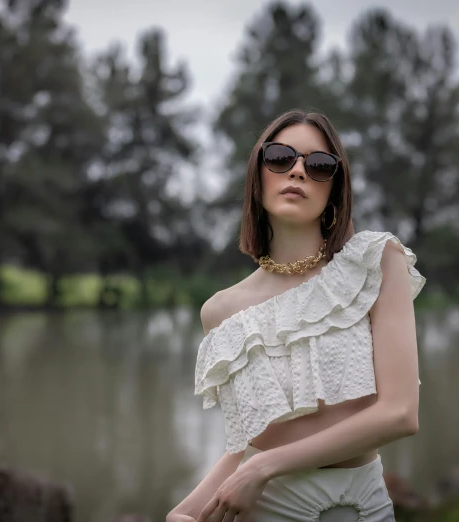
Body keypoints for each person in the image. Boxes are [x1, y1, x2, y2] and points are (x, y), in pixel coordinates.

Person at [166, 109, 426, 522]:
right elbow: (247, 445)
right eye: (281, 158)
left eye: (319, 164)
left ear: (334, 188)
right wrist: (185, 512)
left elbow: (400, 414)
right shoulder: (221, 312)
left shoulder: (375, 262)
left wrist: (264, 466)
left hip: (362, 508)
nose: (298, 171)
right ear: (259, 175)